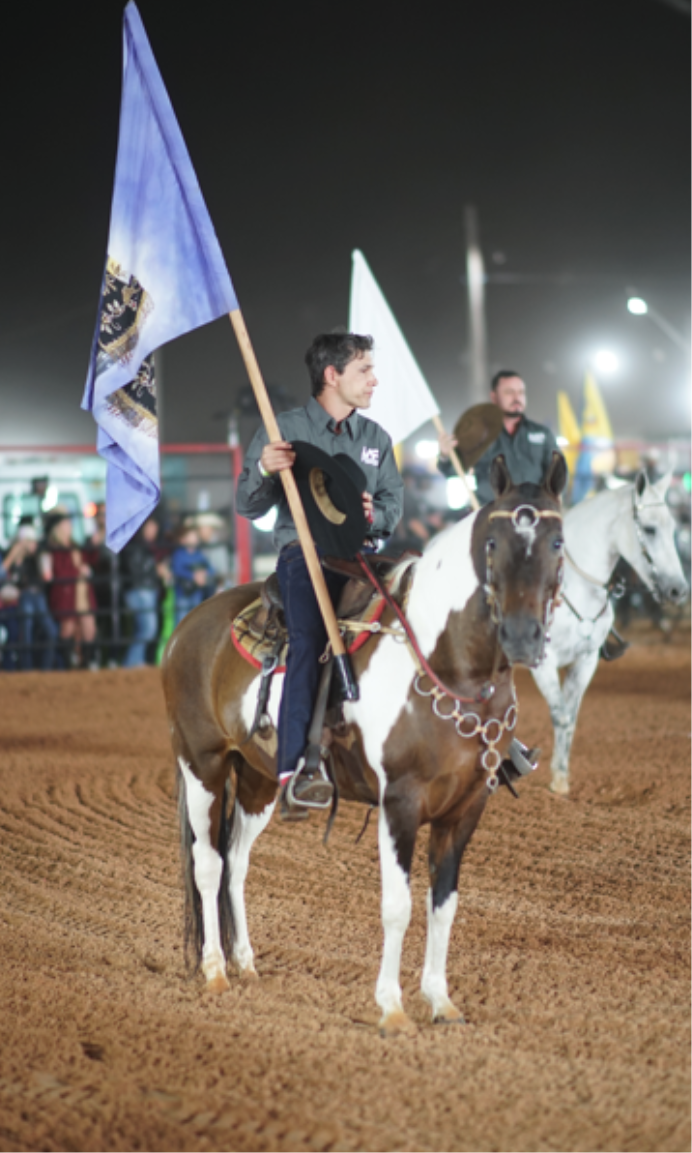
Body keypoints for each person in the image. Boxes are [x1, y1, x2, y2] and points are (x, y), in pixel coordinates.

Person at [236, 331, 403, 813]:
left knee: (411, 615)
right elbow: (248, 506)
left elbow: (393, 502)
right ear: (332, 375)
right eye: (364, 369)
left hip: (361, 557)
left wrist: (377, 514)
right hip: (303, 554)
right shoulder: (280, 428)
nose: (374, 379)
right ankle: (295, 769)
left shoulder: (376, 438)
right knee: (309, 641)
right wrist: (266, 469)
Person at [438, 370, 560, 505]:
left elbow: (557, 472)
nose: (516, 397)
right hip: (493, 517)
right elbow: (454, 471)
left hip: (533, 515)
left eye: (521, 392)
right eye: (509, 392)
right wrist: (445, 455)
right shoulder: (480, 434)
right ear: (494, 397)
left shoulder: (542, 433)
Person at [44, 511, 98, 670]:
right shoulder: (54, 548)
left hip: (82, 594)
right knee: (67, 629)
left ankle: (84, 664)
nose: (70, 526)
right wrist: (79, 571)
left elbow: (91, 559)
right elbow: (58, 572)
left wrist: (94, 546)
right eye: (66, 523)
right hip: (67, 595)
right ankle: (69, 666)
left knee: (89, 628)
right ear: (58, 528)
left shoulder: (75, 546)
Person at [2, 523, 58, 670]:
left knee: (49, 631)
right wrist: (14, 555)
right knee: (26, 628)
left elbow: (47, 577)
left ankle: (44, 669)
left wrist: (40, 558)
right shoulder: (11, 557)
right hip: (19, 600)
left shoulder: (36, 557)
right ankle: (27, 670)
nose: (34, 544)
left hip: (34, 597)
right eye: (30, 541)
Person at [120, 517, 168, 667]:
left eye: (155, 527)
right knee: (148, 629)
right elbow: (136, 570)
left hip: (146, 590)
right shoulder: (136, 546)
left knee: (144, 629)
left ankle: (136, 662)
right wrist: (156, 569)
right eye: (150, 527)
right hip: (140, 590)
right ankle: (131, 663)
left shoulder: (147, 547)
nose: (153, 531)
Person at [170, 525, 215, 625]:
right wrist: (193, 575)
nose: (194, 538)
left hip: (196, 592)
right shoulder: (179, 554)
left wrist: (203, 574)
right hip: (183, 594)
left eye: (195, 536)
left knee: (195, 622)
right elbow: (177, 570)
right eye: (191, 536)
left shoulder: (199, 554)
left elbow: (211, 569)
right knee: (181, 622)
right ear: (183, 540)